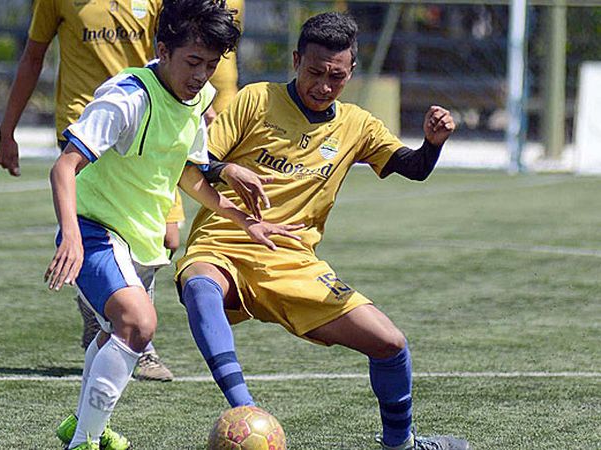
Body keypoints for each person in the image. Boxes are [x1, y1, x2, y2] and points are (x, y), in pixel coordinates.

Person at [175, 12, 471, 450]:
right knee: (200, 285)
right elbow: (196, 163)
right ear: (296, 60)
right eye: (314, 72)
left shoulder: (357, 124)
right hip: (226, 240)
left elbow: (413, 168)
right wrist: (227, 169)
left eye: (336, 77)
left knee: (389, 343)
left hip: (294, 261)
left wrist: (432, 144)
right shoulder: (256, 100)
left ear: (351, 71)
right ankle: (247, 411)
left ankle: (401, 444)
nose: (323, 86)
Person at [45, 2, 300, 448]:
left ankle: (85, 427)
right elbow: (64, 167)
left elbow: (187, 170)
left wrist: (243, 218)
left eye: (212, 64)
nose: (202, 75)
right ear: (163, 49)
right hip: (94, 228)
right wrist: (70, 236)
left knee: (114, 334)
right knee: (138, 323)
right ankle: (83, 442)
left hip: (138, 237)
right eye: (193, 62)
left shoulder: (197, 99)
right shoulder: (127, 98)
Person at [0, 0, 178, 382]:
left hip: (143, 122)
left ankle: (99, 310)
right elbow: (33, 57)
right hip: (84, 123)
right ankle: (134, 338)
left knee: (168, 235)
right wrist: (6, 128)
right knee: (101, 223)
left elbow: (176, 45)